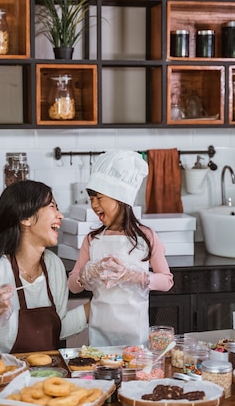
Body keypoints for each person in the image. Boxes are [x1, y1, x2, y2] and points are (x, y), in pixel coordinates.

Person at [0, 180, 89, 354]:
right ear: (25, 218)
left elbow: (59, 327)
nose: (60, 215)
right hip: (4, 376)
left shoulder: (54, 265)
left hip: (46, 375)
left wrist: (100, 303)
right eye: (52, 207)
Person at [68, 149, 174, 347]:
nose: (93, 205)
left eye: (99, 198)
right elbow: (73, 286)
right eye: (91, 199)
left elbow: (167, 281)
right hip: (99, 336)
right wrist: (87, 273)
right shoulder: (93, 239)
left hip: (135, 338)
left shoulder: (146, 237)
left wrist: (137, 276)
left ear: (120, 198)